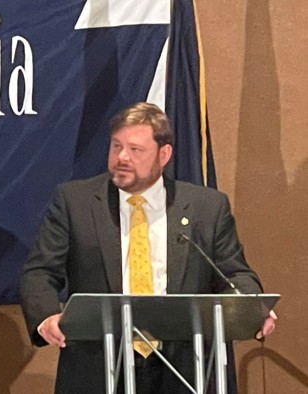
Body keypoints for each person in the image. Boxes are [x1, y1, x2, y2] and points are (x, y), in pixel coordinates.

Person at [19, 102, 277, 393]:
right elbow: (39, 273)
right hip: (99, 367)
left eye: (135, 150)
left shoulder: (207, 208)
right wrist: (46, 317)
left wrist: (251, 307)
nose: (122, 157)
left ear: (163, 154)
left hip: (185, 369)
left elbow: (234, 275)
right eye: (116, 146)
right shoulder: (74, 202)